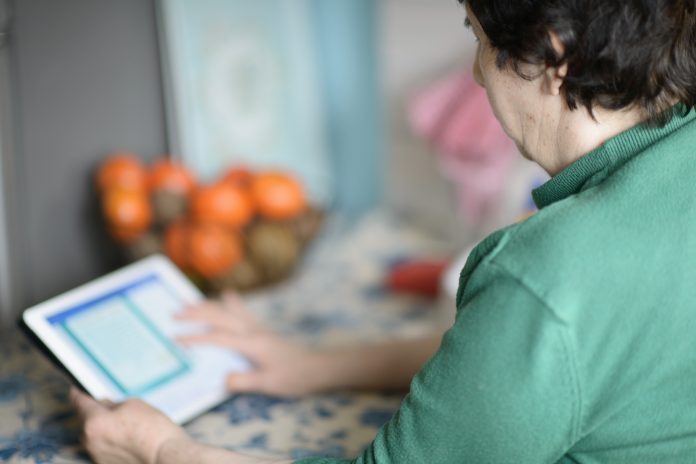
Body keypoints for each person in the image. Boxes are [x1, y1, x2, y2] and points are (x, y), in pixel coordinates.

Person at [71, 0, 696, 462]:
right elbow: (536, 369)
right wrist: (314, 366)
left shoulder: (541, 281)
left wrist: (160, 448)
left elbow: (539, 331)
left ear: (554, 57)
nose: (477, 76)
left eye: (474, 37)